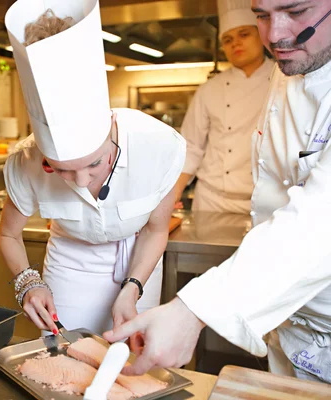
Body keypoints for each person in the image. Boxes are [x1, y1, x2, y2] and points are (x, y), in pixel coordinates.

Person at [105, 0, 331, 384]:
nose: (275, 35)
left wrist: (193, 311)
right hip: (288, 316)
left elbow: (320, 221)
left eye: (296, 11)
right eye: (261, 15)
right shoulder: (292, 61)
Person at [0, 0, 186, 337]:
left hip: (137, 264)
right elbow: (9, 234)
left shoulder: (157, 146)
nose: (82, 182)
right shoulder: (26, 161)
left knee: (131, 368)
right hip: (69, 266)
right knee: (63, 364)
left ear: (112, 126)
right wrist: (27, 282)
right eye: (62, 170)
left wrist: (133, 287)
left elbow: (157, 230)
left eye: (95, 163)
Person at [173, 0, 275, 214]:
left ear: (261, 34)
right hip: (212, 200)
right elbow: (191, 147)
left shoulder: (283, 80)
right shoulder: (209, 89)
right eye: (228, 40)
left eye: (244, 34)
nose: (235, 43)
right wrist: (173, 193)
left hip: (264, 201)